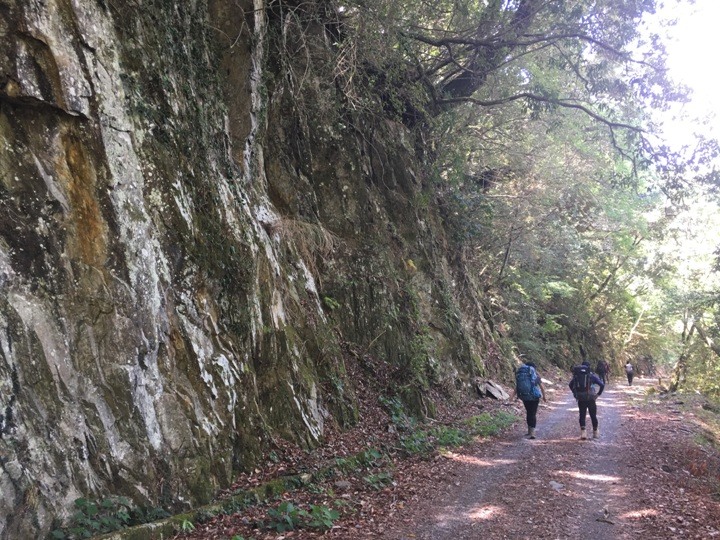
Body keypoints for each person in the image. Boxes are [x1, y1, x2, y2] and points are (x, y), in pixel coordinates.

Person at [569, 361, 605, 440]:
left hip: (581, 398)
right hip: (591, 398)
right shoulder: (591, 376)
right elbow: (602, 385)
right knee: (593, 415)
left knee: (582, 415)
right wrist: (598, 394)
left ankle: (583, 433)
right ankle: (595, 432)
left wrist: (576, 393)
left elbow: (570, 385)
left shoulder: (576, 376)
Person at [512, 360, 547, 439]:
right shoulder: (535, 376)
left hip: (525, 396)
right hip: (534, 397)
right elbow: (542, 388)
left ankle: (529, 431)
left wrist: (511, 397)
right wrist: (544, 397)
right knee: (532, 413)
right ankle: (533, 433)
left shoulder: (522, 375)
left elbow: (516, 388)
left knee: (528, 412)